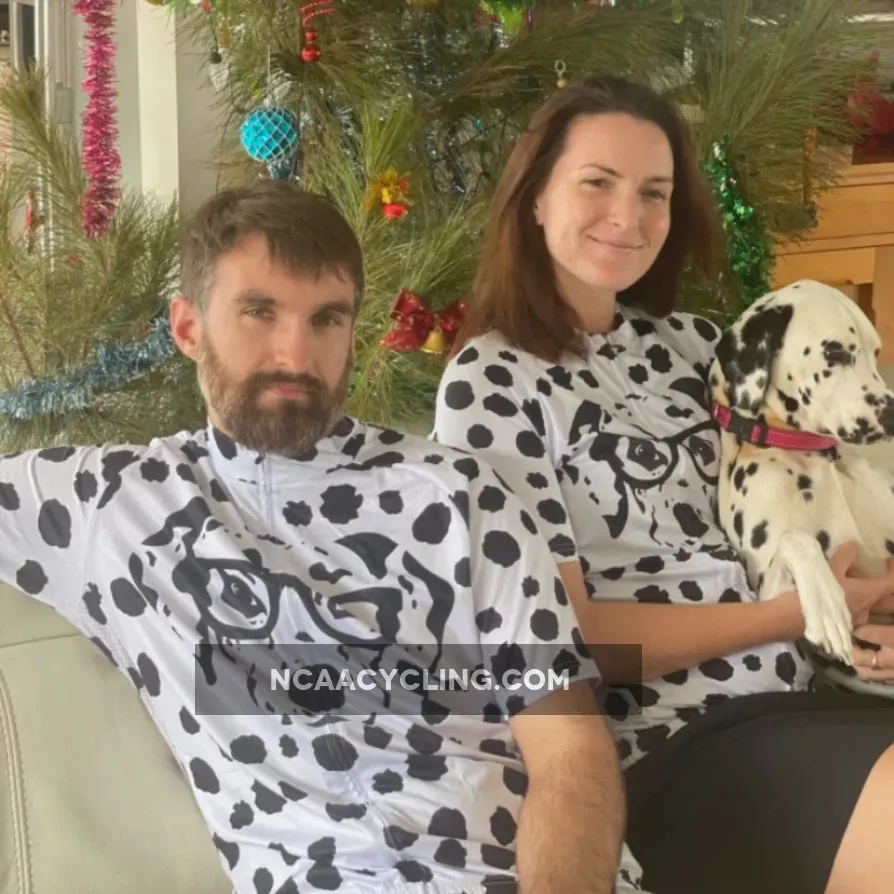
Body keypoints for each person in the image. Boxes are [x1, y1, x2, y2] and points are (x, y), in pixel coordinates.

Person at [0, 180, 632, 894]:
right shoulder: (117, 503)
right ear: (187, 328)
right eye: (260, 312)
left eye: (327, 319)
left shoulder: (460, 497)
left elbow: (569, 747)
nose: (296, 354)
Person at [429, 74, 894, 894]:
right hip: (674, 743)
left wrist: (878, 609)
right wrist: (792, 615)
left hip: (808, 696)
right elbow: (567, 639)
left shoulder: (700, 348)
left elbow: (836, 494)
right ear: (534, 196)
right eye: (597, 182)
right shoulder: (491, 383)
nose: (629, 215)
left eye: (654, 192)